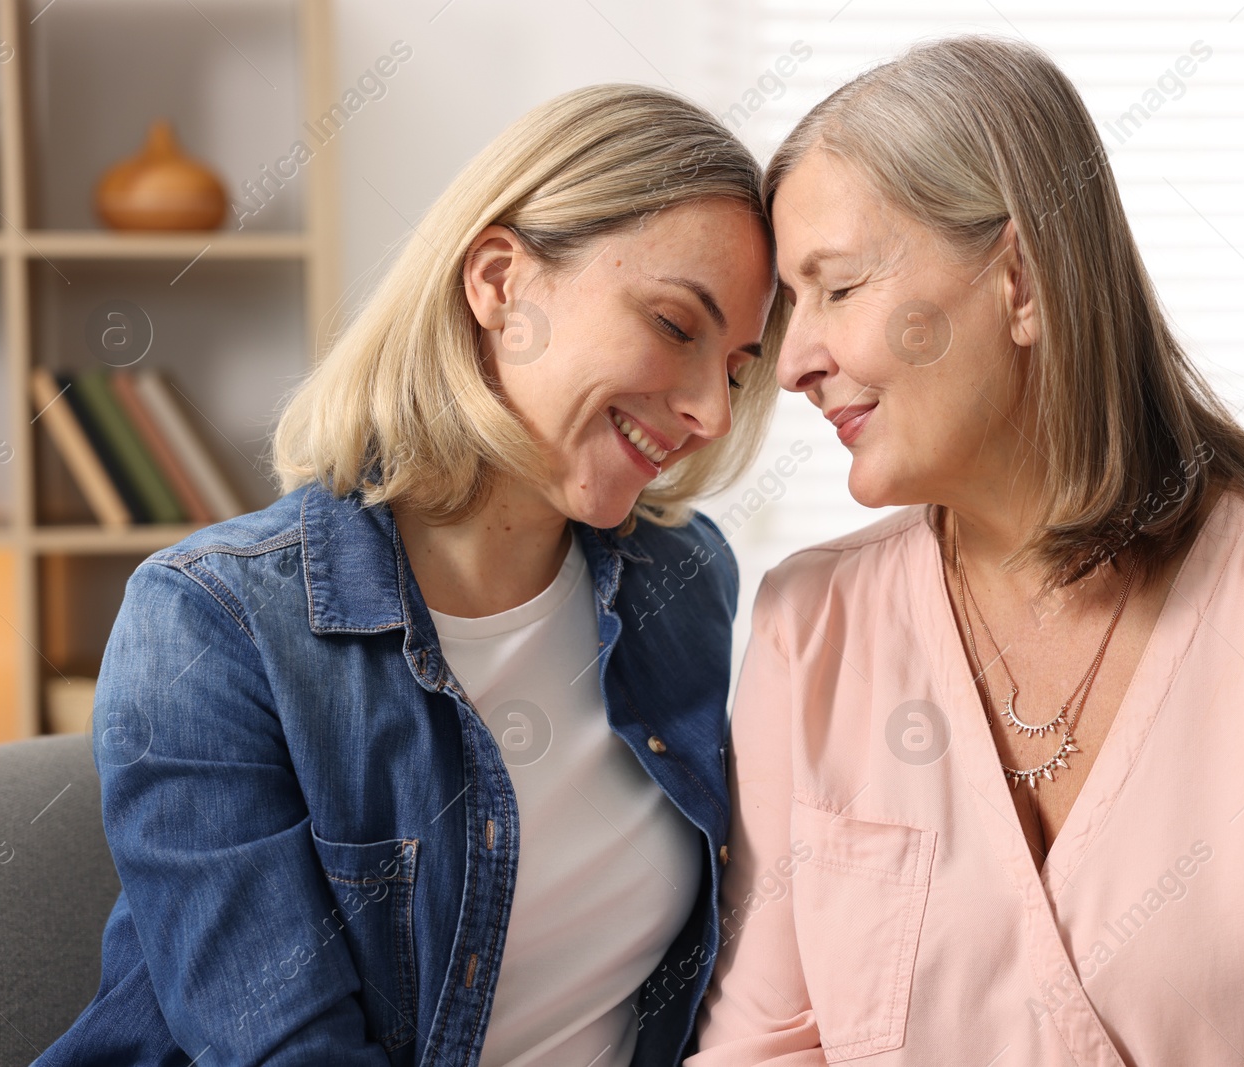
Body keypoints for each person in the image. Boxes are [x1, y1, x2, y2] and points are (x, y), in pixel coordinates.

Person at [692, 35, 1244, 1066]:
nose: (798, 360)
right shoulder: (808, 625)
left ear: (1022, 281)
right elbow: (764, 1047)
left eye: (840, 288)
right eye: (788, 310)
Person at [39, 83, 780, 1067]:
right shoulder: (210, 622)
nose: (711, 413)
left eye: (735, 365)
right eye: (677, 325)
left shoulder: (682, 581)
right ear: (499, 283)